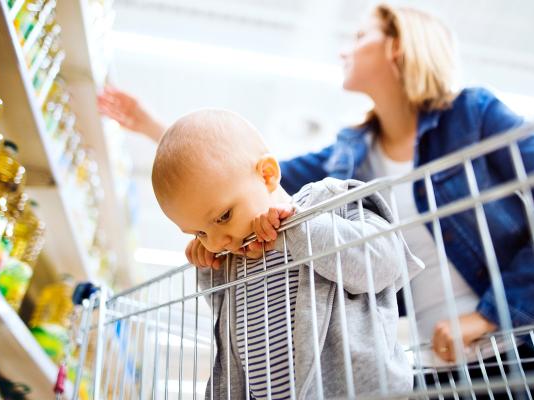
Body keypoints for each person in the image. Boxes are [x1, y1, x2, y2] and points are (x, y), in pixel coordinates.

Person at [101, 4, 534, 398]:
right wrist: (154, 127)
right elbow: (239, 176)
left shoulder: (474, 115)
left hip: (531, 347)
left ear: (400, 47)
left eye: (360, 37)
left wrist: (493, 315)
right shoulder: (349, 155)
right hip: (436, 364)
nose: (345, 50)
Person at [151, 109, 424, 399]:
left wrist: (299, 227)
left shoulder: (328, 201)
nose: (218, 242)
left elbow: (384, 264)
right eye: (200, 233)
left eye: (223, 217)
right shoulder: (235, 255)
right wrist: (210, 268)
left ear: (267, 175)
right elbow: (227, 315)